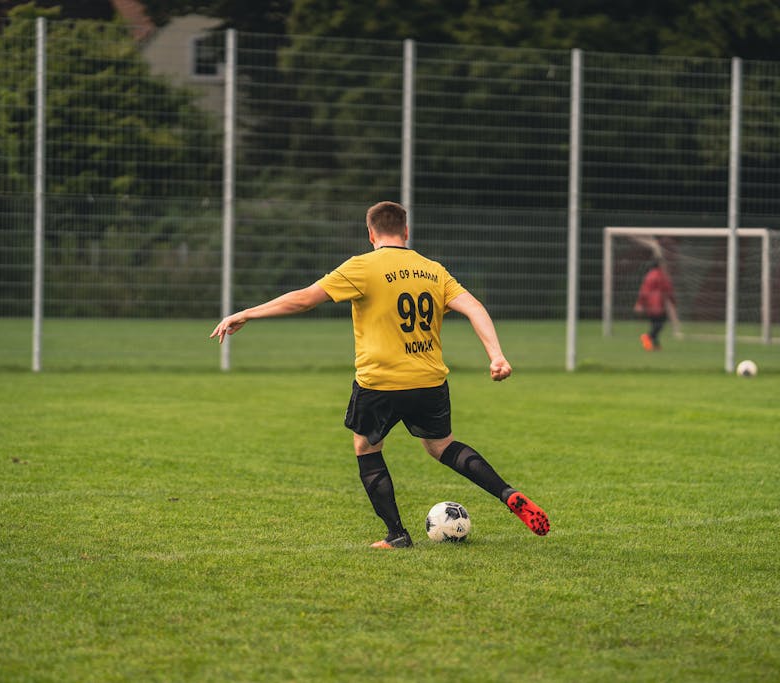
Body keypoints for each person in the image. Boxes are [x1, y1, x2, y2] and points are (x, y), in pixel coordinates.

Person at [211, 201, 549, 548]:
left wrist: (249, 313)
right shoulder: (433, 270)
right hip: (429, 380)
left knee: (366, 447)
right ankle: (507, 493)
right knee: (441, 446)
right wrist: (496, 356)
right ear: (406, 232)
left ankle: (396, 535)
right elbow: (474, 307)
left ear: (371, 233)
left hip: (380, 382)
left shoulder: (362, 267)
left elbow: (304, 300)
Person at [633, 260, 676, 351]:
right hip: (658, 302)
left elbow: (643, 291)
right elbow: (668, 289)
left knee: (654, 324)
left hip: (649, 303)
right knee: (660, 323)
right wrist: (672, 301)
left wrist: (640, 303)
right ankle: (648, 337)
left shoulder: (648, 276)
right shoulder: (661, 275)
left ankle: (655, 346)